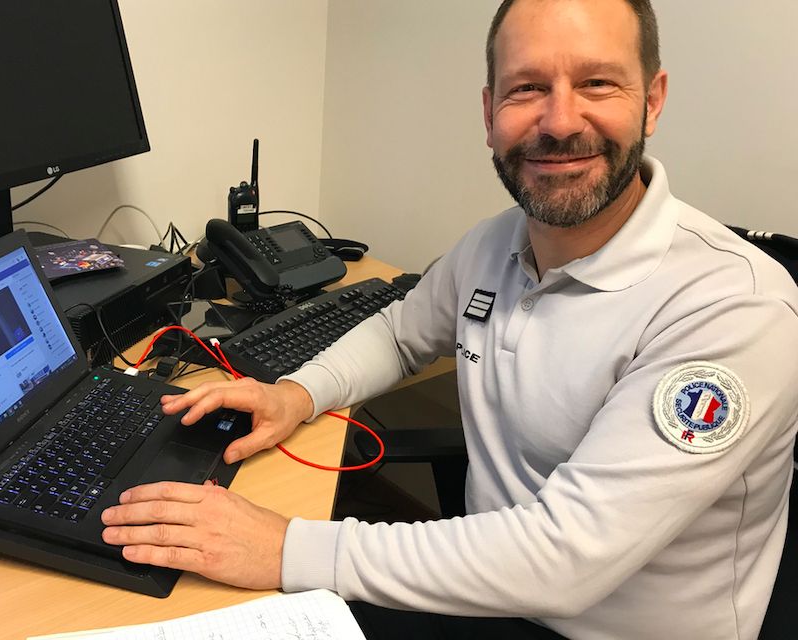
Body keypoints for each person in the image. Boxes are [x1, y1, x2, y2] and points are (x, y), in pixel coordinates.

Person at [100, 0, 798, 637]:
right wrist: (298, 393)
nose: (559, 122)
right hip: (483, 589)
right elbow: (401, 332)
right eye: (528, 89)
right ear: (490, 112)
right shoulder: (496, 242)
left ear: (652, 102)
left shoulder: (733, 308)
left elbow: (567, 560)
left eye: (597, 84)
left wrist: (284, 546)